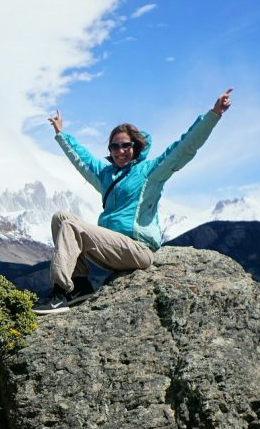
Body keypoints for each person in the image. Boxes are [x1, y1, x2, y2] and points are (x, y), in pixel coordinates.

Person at [33, 88, 233, 315]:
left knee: (71, 226)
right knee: (61, 217)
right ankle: (79, 286)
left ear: (136, 147)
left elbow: (183, 147)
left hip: (138, 249)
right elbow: (82, 158)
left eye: (126, 145)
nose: (120, 151)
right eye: (115, 146)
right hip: (113, 248)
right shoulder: (106, 175)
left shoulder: (150, 172)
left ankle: (60, 291)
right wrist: (61, 134)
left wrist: (213, 114)